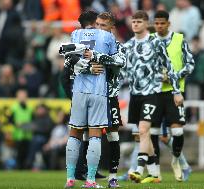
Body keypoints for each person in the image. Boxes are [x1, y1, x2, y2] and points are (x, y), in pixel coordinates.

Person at [123, 10, 182, 184]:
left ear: (146, 23)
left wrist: (176, 91)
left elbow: (169, 67)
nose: (135, 24)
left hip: (153, 94)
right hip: (135, 95)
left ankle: (139, 169)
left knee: (143, 130)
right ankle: (155, 174)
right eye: (133, 22)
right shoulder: (128, 45)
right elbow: (123, 70)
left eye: (139, 22)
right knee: (143, 135)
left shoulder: (156, 42)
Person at [60, 10, 118, 188]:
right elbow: (116, 62)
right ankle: (91, 180)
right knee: (94, 134)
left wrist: (84, 67)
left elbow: (67, 59)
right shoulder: (108, 37)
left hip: (78, 90)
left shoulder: (75, 34)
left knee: (74, 133)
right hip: (99, 91)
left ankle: (70, 178)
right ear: (97, 22)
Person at [74, 12, 126, 188]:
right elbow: (74, 65)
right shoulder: (88, 45)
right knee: (89, 135)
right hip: (91, 94)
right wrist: (87, 66)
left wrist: (97, 58)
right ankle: (90, 177)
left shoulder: (117, 45)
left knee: (112, 135)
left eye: (103, 25)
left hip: (109, 95)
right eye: (97, 24)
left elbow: (120, 61)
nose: (99, 28)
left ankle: (112, 176)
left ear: (112, 27)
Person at [152, 10, 195, 182]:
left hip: (175, 92)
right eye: (157, 23)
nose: (159, 26)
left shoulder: (179, 39)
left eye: (162, 23)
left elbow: (190, 64)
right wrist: (157, 76)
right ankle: (153, 171)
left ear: (168, 24)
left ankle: (177, 161)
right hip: (155, 92)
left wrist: (175, 76)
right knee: (155, 133)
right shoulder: (150, 41)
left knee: (177, 131)